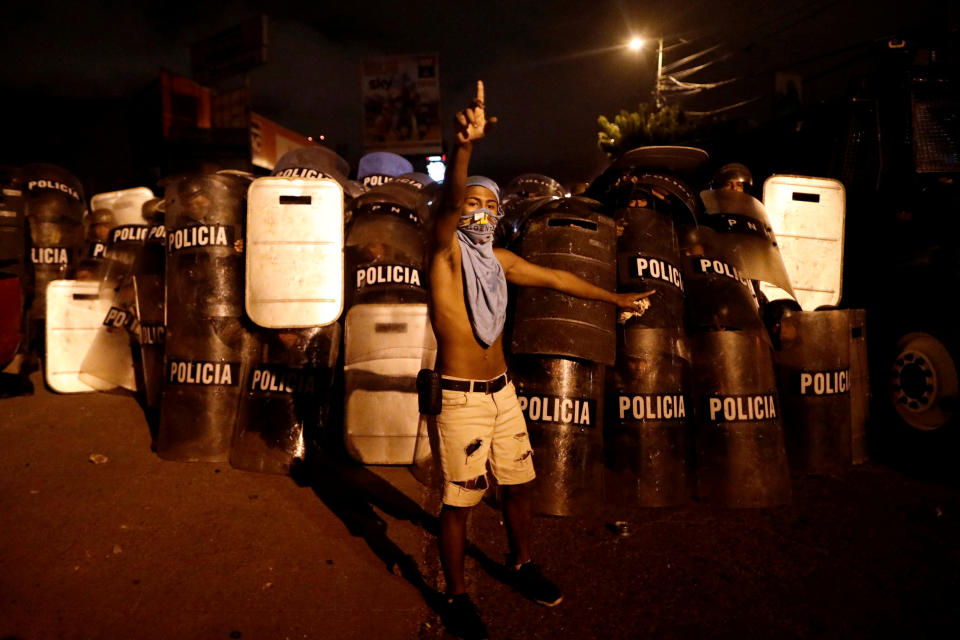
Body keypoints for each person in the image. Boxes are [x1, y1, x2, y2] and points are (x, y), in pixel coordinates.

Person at [428, 80, 653, 640]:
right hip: (460, 396)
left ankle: (521, 563)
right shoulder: (444, 257)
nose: (479, 213)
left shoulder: (498, 258)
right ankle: (456, 597)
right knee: (459, 502)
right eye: (473, 205)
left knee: (519, 482)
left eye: (489, 206)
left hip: (502, 392)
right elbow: (450, 203)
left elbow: (557, 277)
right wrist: (465, 149)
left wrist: (617, 298)